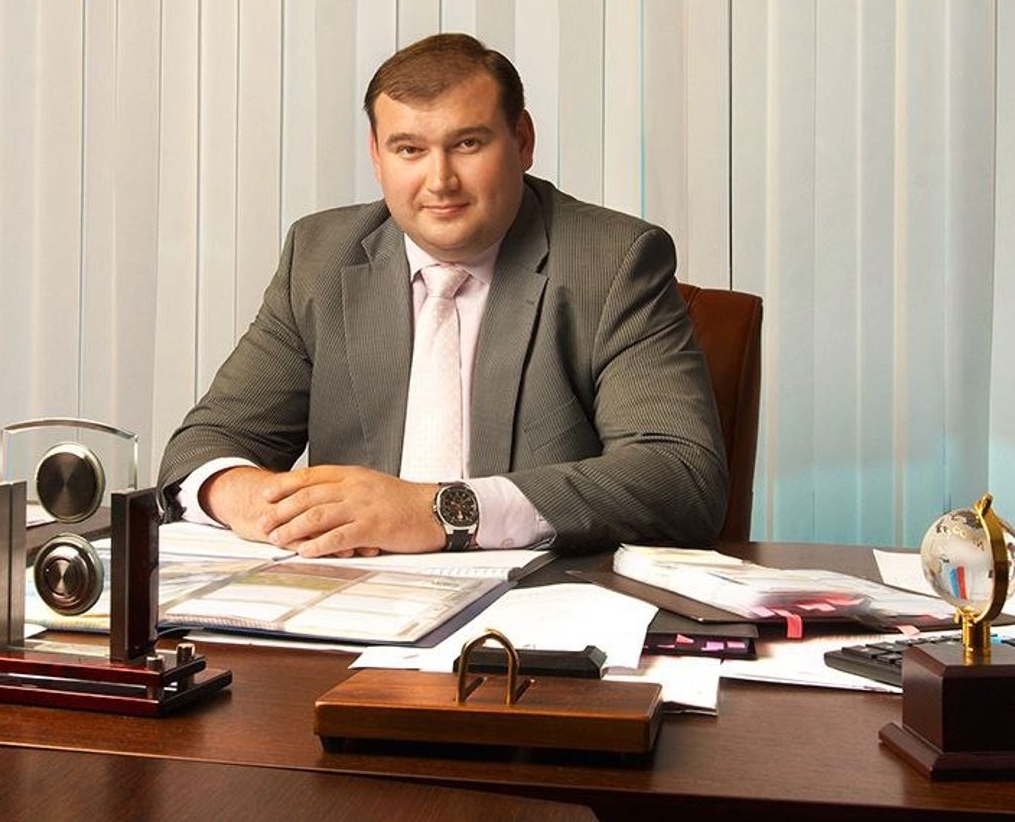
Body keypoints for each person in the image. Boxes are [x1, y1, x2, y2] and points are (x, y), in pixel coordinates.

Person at [157, 33, 728, 555]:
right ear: (376, 155)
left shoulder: (611, 260)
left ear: (522, 141)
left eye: (468, 143)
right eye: (409, 149)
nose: (440, 181)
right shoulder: (320, 257)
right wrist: (256, 502)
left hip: (532, 607)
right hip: (350, 602)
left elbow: (680, 475)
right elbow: (205, 446)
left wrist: (440, 512)